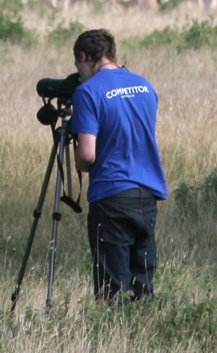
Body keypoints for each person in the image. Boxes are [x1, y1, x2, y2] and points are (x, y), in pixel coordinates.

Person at [72, 29, 168, 303]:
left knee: (112, 290)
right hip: (147, 194)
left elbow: (88, 155)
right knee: (143, 287)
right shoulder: (144, 85)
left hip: (112, 195)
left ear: (83, 56)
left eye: (78, 65)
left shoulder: (87, 92)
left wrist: (76, 156)